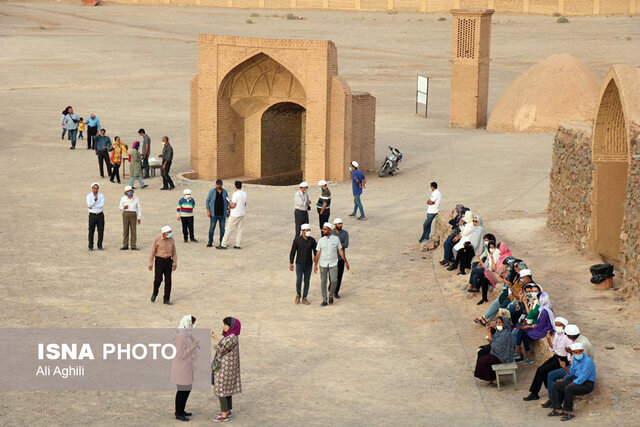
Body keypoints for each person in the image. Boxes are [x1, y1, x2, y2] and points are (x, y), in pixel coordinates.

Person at [543, 324, 595, 408]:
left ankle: (554, 401)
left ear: (570, 335)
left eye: (566, 335)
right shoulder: (580, 339)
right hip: (577, 368)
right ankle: (553, 401)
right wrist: (571, 353)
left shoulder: (582, 344)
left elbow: (579, 365)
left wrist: (567, 369)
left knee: (553, 376)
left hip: (581, 371)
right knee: (552, 375)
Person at [523, 316, 571, 401]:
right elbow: (554, 348)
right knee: (541, 369)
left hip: (563, 360)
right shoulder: (557, 334)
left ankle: (535, 393)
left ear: (564, 326)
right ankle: (542, 391)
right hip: (556, 357)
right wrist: (548, 339)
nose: (558, 326)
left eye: (560, 325)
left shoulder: (567, 337)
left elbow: (569, 353)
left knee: (542, 370)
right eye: (556, 325)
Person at [548, 343, 596, 421]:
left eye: (580, 352)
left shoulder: (588, 361)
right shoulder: (574, 358)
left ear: (583, 351)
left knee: (568, 388)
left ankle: (569, 412)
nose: (578, 354)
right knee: (555, 385)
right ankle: (557, 409)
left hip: (587, 384)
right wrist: (564, 367)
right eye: (576, 352)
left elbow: (583, 377)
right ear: (573, 352)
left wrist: (572, 383)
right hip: (577, 380)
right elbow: (572, 372)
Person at [211, 317, 242, 423]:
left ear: (232, 327)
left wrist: (215, 338)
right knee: (227, 390)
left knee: (221, 390)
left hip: (224, 369)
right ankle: (228, 410)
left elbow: (221, 348)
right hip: (228, 368)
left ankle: (224, 414)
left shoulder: (231, 337)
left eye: (226, 325)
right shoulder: (232, 336)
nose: (224, 327)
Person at [314, 222, 350, 306]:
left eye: (325, 229)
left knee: (334, 280)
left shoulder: (336, 239)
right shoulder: (321, 240)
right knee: (323, 282)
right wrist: (315, 264)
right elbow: (318, 253)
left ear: (330, 230)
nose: (323, 231)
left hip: (333, 263)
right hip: (323, 264)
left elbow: (340, 251)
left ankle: (331, 295)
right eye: (323, 229)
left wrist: (346, 262)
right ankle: (324, 300)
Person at [514, 290, 554, 364]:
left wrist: (529, 327)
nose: (537, 300)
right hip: (543, 328)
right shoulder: (545, 308)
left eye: (538, 299)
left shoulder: (544, 312)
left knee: (523, 331)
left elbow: (540, 326)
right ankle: (527, 355)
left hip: (544, 330)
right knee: (523, 331)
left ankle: (519, 351)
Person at [171, 315, 199, 422]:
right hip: (181, 368)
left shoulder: (185, 334)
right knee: (182, 391)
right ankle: (178, 413)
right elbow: (180, 355)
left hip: (186, 367)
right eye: (191, 324)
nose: (192, 326)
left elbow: (191, 338)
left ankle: (181, 410)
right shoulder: (181, 336)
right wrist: (193, 347)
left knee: (187, 389)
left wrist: (194, 341)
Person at [473, 316, 514, 384]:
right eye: (497, 323)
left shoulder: (505, 334)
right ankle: (491, 377)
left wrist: (489, 334)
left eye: (500, 323)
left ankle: (493, 378)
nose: (498, 324)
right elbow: (494, 342)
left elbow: (494, 345)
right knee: (482, 353)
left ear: (505, 324)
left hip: (502, 356)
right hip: (497, 352)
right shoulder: (500, 331)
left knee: (483, 360)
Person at [149, 225, 177, 305]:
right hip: (159, 261)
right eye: (169, 232)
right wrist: (151, 262)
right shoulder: (157, 240)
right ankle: (155, 293)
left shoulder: (172, 240)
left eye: (170, 232)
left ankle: (166, 299)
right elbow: (152, 251)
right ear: (164, 233)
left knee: (168, 281)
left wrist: (175, 262)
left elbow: (174, 252)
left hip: (168, 261)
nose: (170, 234)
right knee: (158, 279)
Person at [289, 223, 317, 305]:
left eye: (309, 230)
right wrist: (291, 262)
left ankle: (305, 297)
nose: (308, 232)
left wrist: (315, 256)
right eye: (306, 230)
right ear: (302, 231)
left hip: (309, 264)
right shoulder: (297, 240)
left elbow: (315, 250)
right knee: (299, 280)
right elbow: (293, 251)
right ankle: (298, 294)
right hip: (299, 263)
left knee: (307, 281)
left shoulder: (312, 240)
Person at [218, 181, 246, 250]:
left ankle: (223, 244)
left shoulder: (235, 194)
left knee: (228, 229)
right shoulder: (244, 193)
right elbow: (244, 203)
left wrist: (229, 207)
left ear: (235, 186)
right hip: (241, 213)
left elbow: (233, 205)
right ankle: (238, 244)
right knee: (239, 229)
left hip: (235, 214)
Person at [205, 180, 229, 248]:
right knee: (212, 228)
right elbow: (207, 201)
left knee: (222, 229)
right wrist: (208, 210)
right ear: (216, 184)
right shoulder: (212, 192)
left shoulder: (225, 192)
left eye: (220, 184)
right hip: (214, 214)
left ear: (222, 185)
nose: (219, 186)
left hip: (222, 214)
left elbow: (228, 201)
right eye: (218, 184)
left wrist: (228, 209)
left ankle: (222, 242)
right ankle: (210, 242)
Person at [331, 218, 349, 298]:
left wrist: (336, 244)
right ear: (335, 225)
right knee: (331, 276)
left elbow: (346, 244)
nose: (341, 225)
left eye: (341, 223)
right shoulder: (330, 232)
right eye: (339, 224)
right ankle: (331, 286)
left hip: (341, 258)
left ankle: (336, 291)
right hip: (331, 257)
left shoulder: (345, 233)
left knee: (339, 275)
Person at [119, 185, 142, 250]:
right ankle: (125, 244)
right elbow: (120, 207)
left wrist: (139, 217)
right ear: (126, 192)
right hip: (125, 213)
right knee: (125, 230)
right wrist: (123, 208)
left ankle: (133, 245)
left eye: (130, 191)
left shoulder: (136, 198)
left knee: (133, 230)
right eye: (128, 191)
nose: (129, 192)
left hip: (133, 214)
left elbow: (139, 208)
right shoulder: (123, 198)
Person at [86, 182, 105, 251]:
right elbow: (89, 205)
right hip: (92, 215)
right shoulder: (89, 196)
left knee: (101, 231)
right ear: (92, 189)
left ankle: (99, 245)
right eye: (94, 188)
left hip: (100, 215)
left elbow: (102, 205)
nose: (95, 190)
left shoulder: (101, 196)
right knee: (91, 231)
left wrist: (93, 206)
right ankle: (90, 246)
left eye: (97, 188)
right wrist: (94, 201)